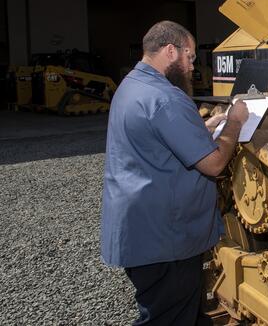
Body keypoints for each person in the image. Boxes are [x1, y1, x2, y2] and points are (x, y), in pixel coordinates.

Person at [100, 20, 248, 325]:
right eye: (190, 57)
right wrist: (234, 122)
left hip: (141, 230)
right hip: (165, 240)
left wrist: (200, 129)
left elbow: (157, 136)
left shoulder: (132, 86)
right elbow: (214, 163)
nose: (193, 66)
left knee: (186, 314)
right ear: (171, 51)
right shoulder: (166, 98)